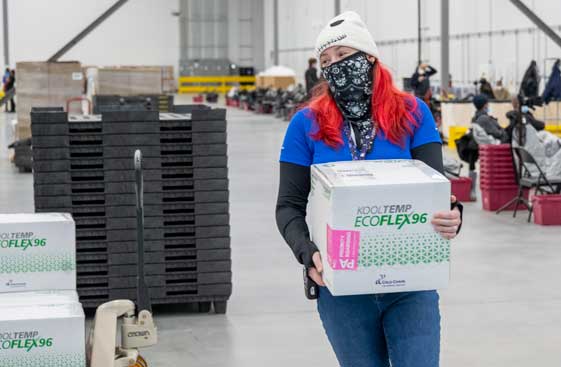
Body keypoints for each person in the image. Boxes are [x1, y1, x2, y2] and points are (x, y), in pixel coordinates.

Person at [276, 11, 463, 367]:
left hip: (410, 283)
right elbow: (287, 205)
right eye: (326, 61)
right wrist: (307, 253)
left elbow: (438, 193)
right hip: (342, 286)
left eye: (344, 55)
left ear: (370, 57)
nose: (334, 66)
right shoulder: (306, 124)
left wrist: (453, 217)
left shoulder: (413, 113)